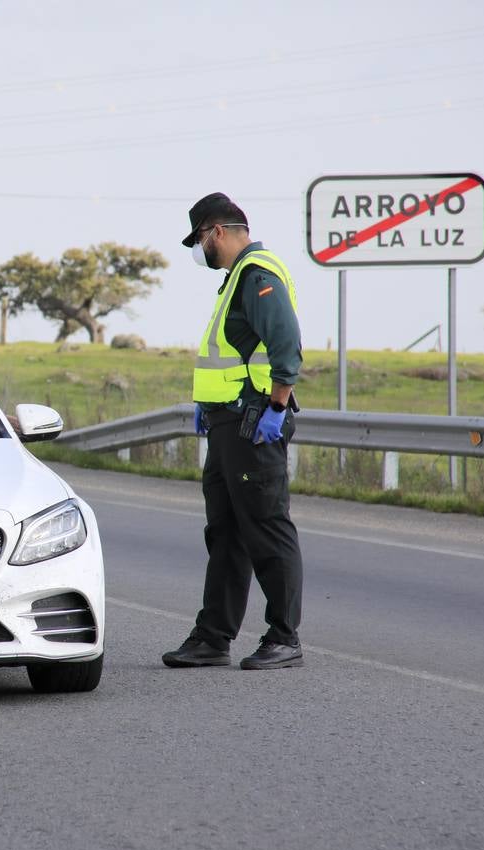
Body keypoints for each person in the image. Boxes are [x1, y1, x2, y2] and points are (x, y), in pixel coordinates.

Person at [161, 192, 306, 671]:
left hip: (253, 422)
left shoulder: (256, 274)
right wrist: (207, 404)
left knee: (265, 527)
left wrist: (276, 406)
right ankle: (213, 638)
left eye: (200, 239)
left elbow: (284, 343)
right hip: (226, 423)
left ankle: (284, 637)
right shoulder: (234, 280)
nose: (200, 249)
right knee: (225, 533)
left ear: (217, 231)